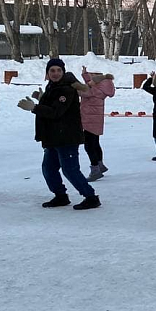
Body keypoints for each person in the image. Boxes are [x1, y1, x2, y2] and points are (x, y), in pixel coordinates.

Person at [17, 58, 100, 210]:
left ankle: (91, 197)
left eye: (58, 70)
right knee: (48, 168)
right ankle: (60, 195)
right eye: (52, 71)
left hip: (66, 137)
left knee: (70, 169)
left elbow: (56, 112)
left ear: (63, 71)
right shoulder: (53, 86)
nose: (55, 73)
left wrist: (34, 107)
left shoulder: (66, 89)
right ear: (47, 73)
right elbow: (52, 105)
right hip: (53, 137)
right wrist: (42, 98)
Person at [78, 67, 115, 182]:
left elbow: (81, 90)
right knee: (95, 143)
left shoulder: (94, 90)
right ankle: (100, 165)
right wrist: (85, 74)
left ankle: (95, 169)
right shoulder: (102, 88)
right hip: (95, 120)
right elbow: (90, 84)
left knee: (89, 145)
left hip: (89, 120)